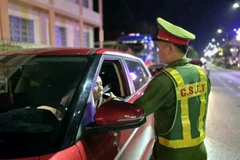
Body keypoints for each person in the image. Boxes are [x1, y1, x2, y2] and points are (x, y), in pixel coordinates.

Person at [134, 17, 211, 160]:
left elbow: (136, 111)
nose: (158, 52)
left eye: (159, 48)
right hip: (199, 151)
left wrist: (113, 100)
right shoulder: (201, 74)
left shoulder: (165, 80)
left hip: (172, 154)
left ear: (169, 48)